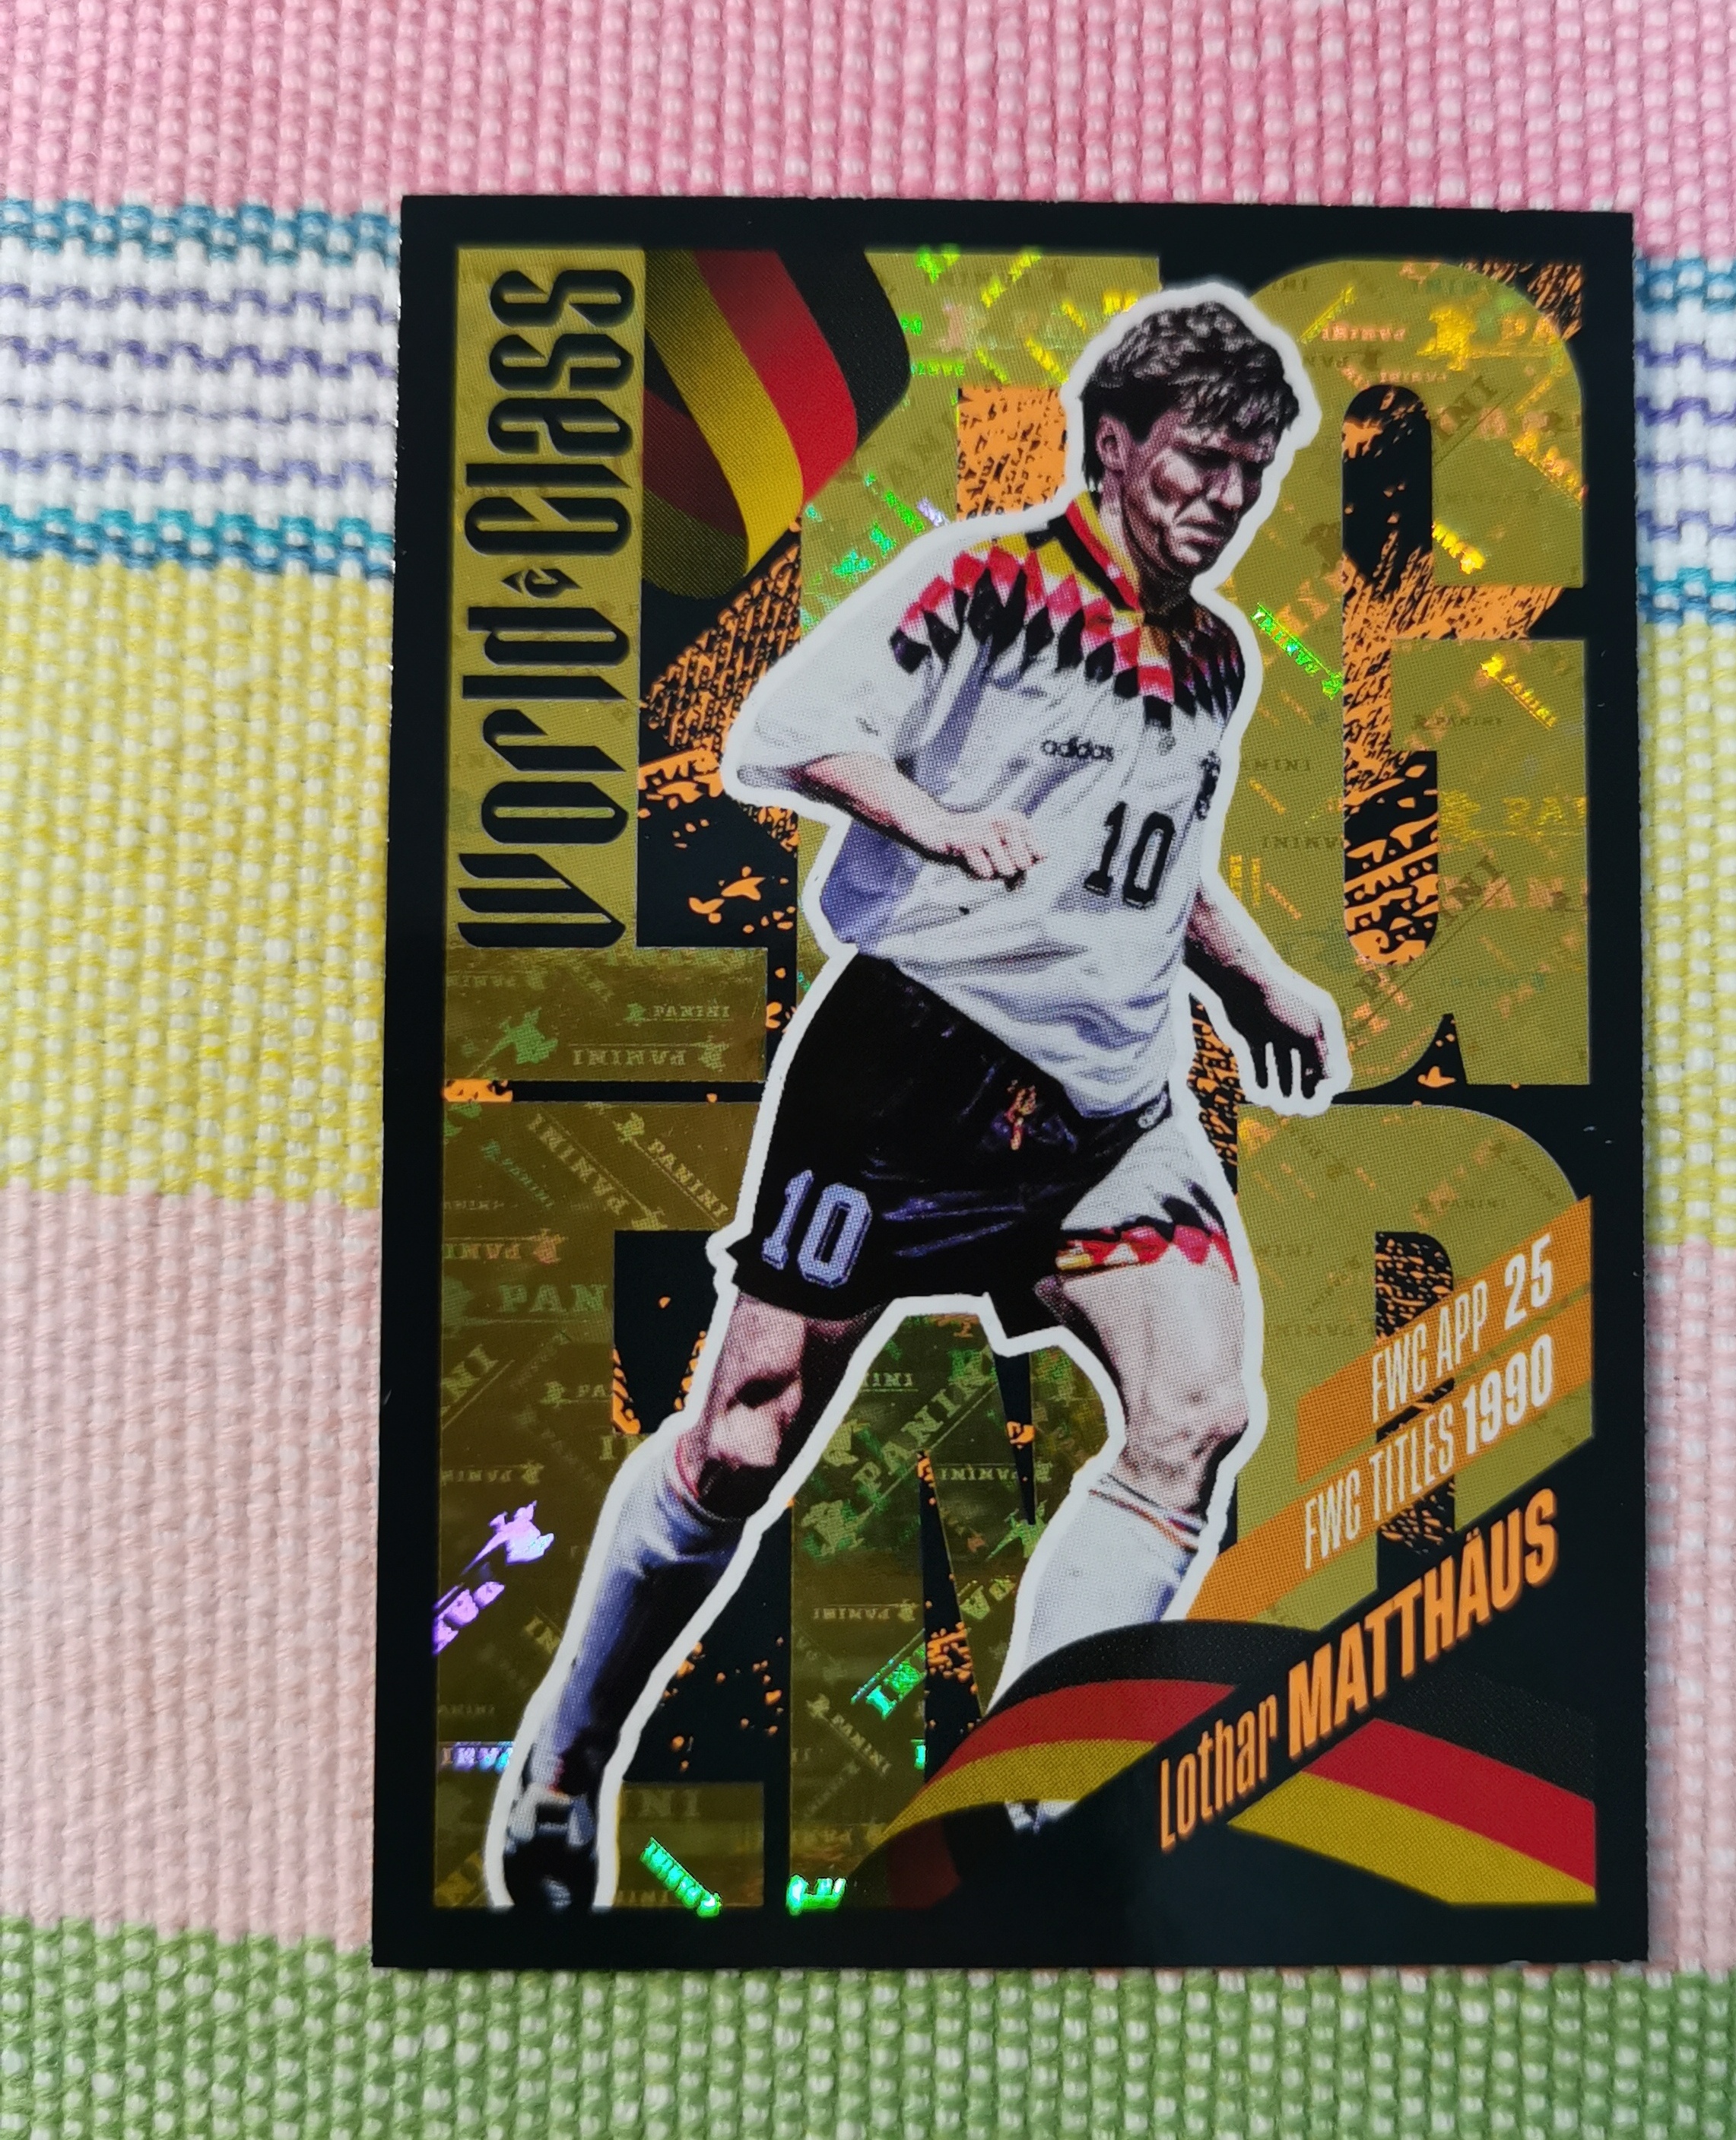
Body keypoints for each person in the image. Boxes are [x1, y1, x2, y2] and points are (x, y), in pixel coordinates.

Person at [494, 291, 1344, 1912]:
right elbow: (782, 733)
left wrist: (1256, 981)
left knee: (1201, 1412)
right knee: (742, 1443)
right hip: (909, 1078)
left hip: (1108, 1115)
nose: (1226, 497)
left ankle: (1022, 1806)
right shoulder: (986, 579)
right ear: (1115, 443)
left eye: (1254, 468)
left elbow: (1156, 858)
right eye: (1200, 458)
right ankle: (562, 1765)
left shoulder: (1216, 657)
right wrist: (936, 820)